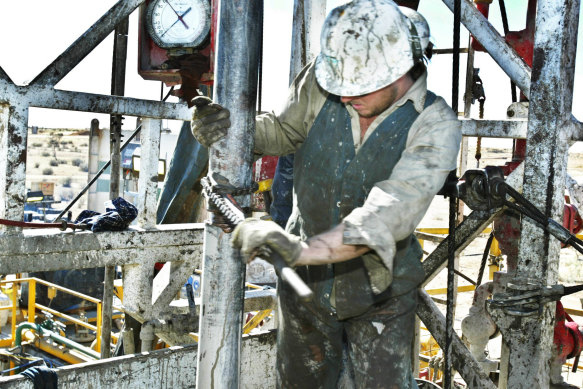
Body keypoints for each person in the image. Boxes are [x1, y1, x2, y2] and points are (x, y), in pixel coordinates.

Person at [191, 1, 461, 387]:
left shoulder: (436, 124)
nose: (346, 95)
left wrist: (296, 249)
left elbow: (385, 215)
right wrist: (229, 131)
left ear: (402, 69)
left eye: (360, 84)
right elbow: (283, 132)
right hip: (305, 289)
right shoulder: (324, 78)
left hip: (381, 299)